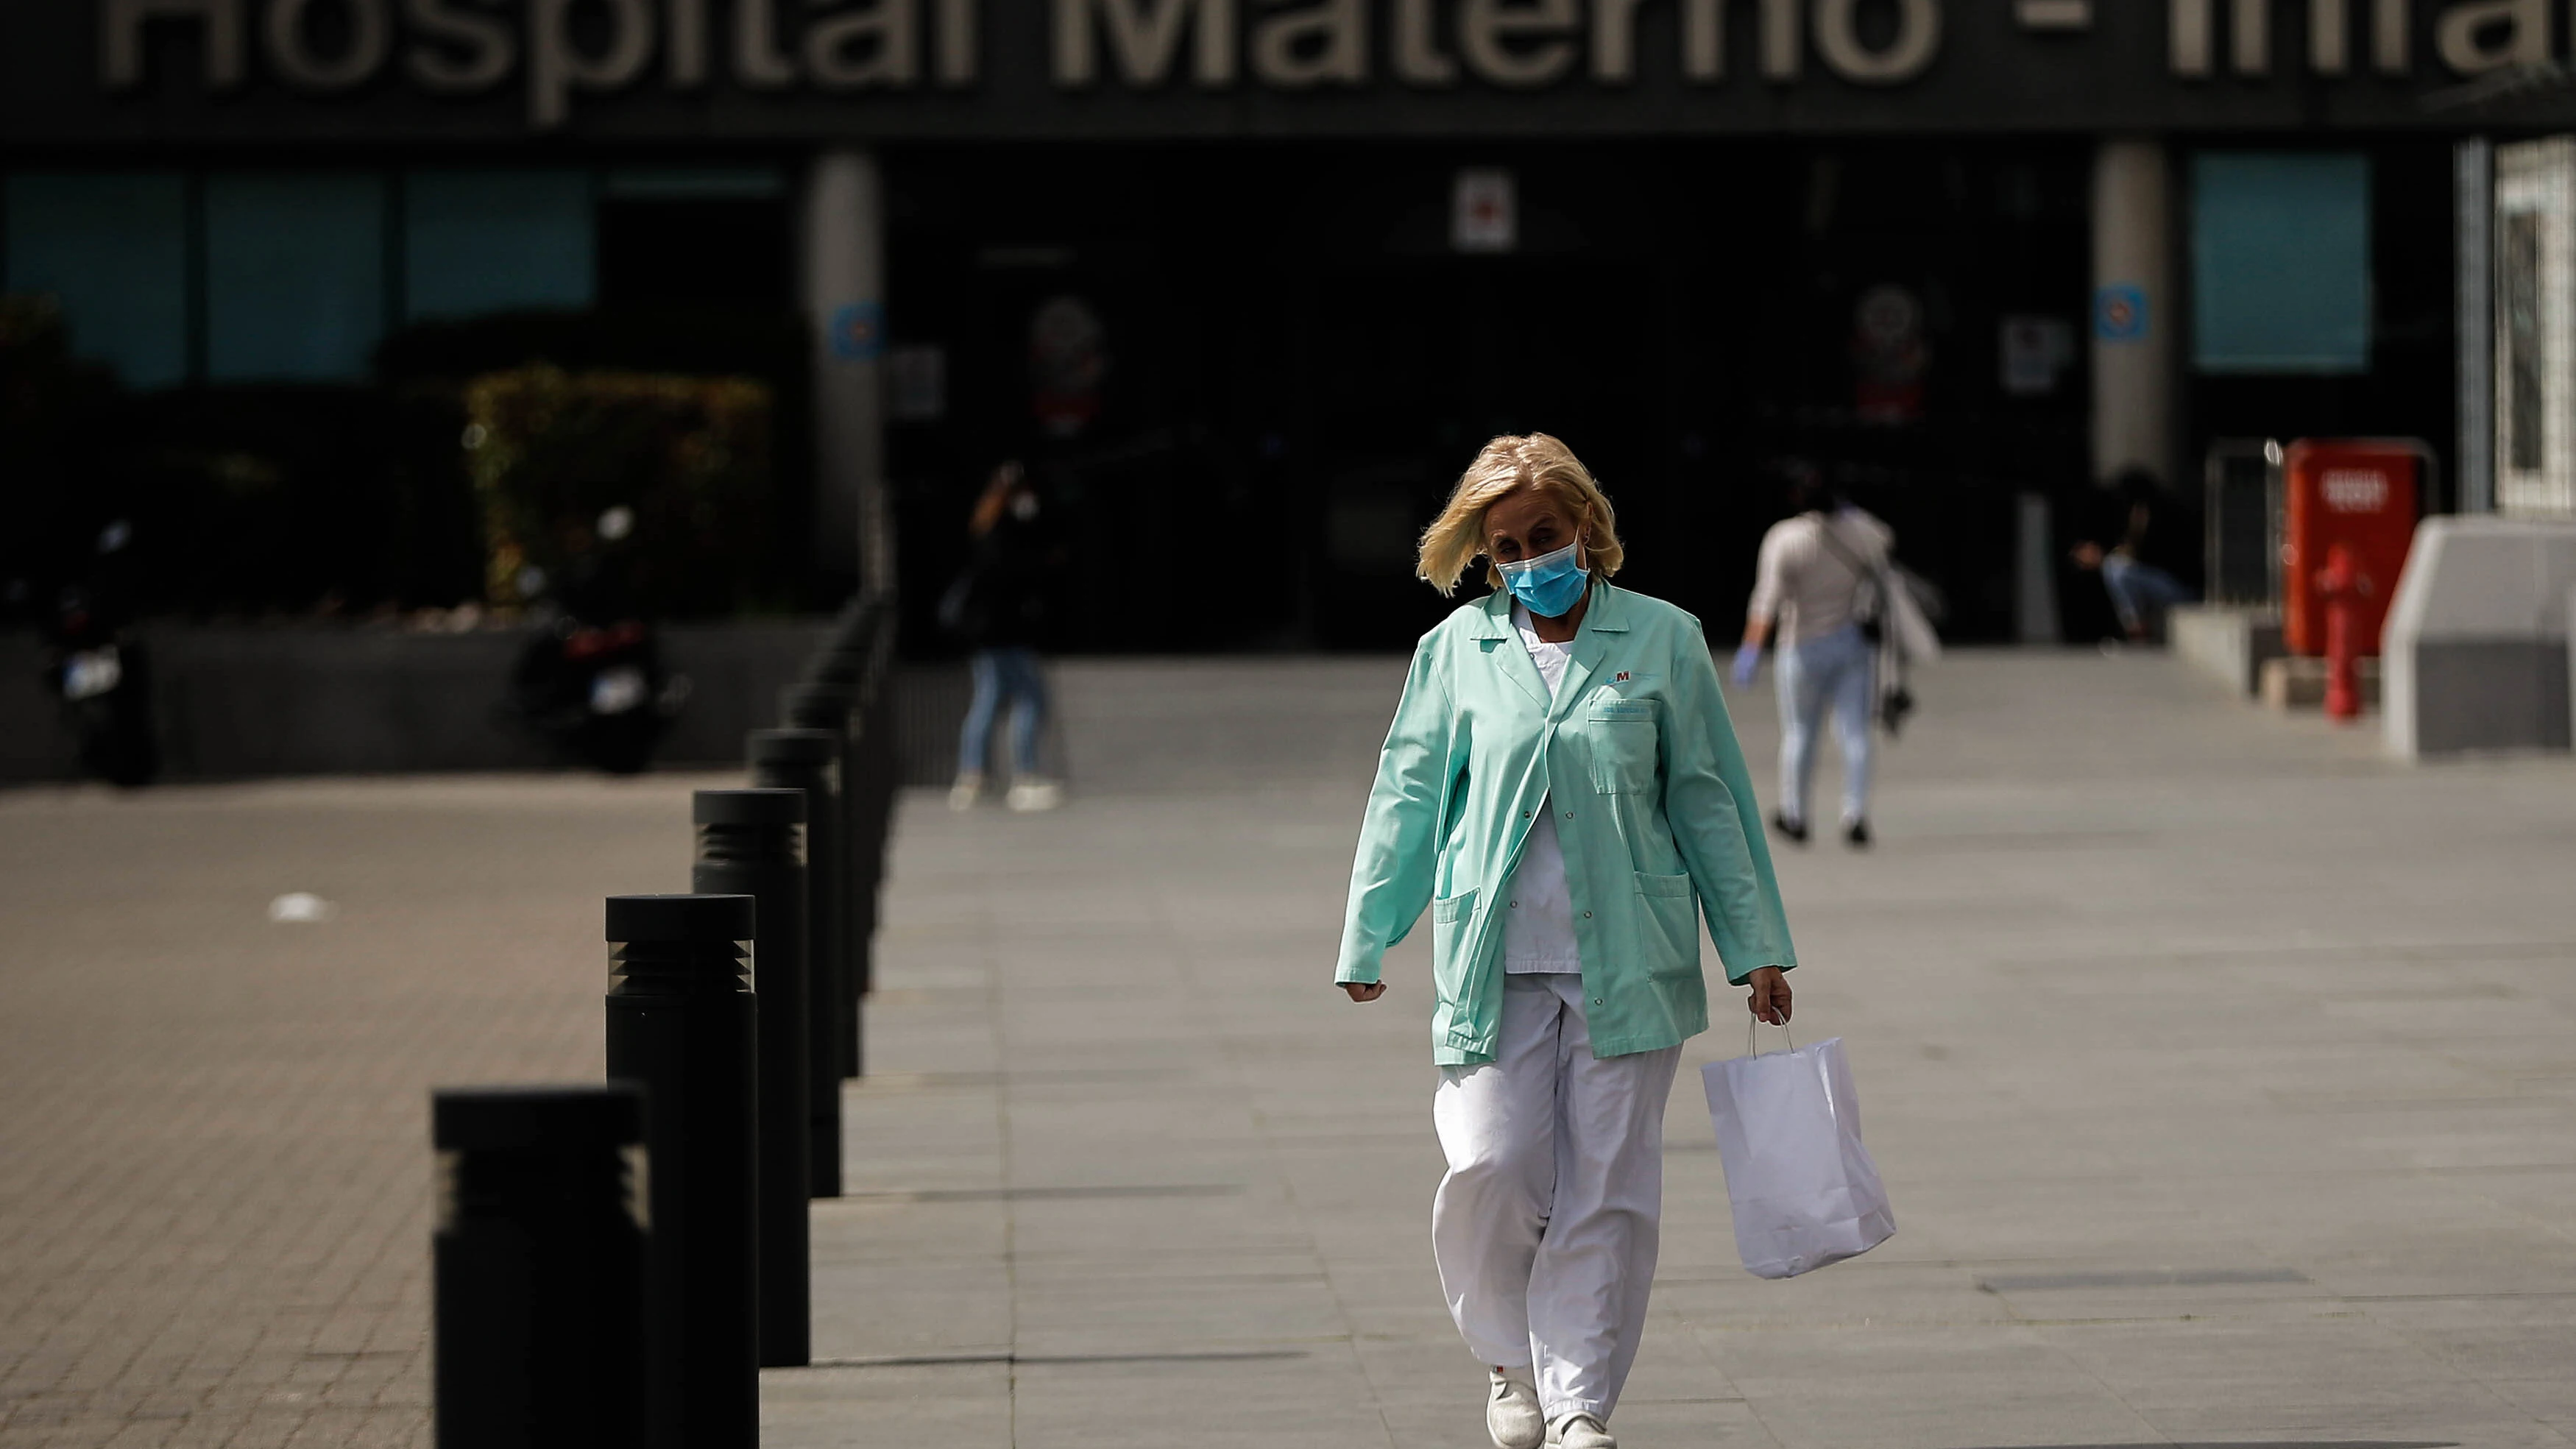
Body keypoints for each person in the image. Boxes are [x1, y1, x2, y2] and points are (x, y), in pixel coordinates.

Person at [1336, 433, 1798, 1449]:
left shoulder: (1664, 638)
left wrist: (1755, 943)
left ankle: (1580, 1398)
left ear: (1586, 527)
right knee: (1494, 1168)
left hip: (1631, 959)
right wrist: (1370, 931)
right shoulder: (1456, 650)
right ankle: (1510, 1360)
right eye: (1506, 547)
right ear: (1485, 555)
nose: (1530, 558)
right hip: (1492, 962)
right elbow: (1410, 792)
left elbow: (1708, 798)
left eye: (1545, 535)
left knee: (1607, 1190)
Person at [1735, 467, 1895, 849]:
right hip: (1851, 642)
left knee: (1799, 732)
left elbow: (1767, 600)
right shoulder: (1862, 533)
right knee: (1854, 731)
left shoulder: (1785, 537)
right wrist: (1853, 515)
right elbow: (1887, 539)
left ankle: (1796, 814)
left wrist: (1752, 649)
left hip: (1801, 644)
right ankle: (1855, 813)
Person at [945, 461, 1061, 812]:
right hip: (1002, 633)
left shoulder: (987, 525)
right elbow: (1010, 578)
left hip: (989, 632)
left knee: (988, 699)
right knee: (1031, 698)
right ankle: (1024, 776)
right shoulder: (1005, 530)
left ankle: (972, 775)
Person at [2071, 469, 2197, 643]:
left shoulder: (2159, 514)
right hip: (2169, 584)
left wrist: (2101, 559)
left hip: (2182, 591)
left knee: (2115, 570)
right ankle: (2135, 629)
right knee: (2114, 568)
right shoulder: (2147, 513)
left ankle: (2137, 631)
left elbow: (2139, 557)